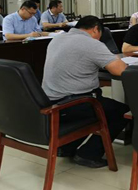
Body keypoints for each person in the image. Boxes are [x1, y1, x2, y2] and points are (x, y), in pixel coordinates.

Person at [42, 16, 129, 168]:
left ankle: (66, 147)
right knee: (121, 112)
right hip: (73, 104)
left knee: (100, 102)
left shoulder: (57, 39)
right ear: (95, 29)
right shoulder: (92, 44)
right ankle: (88, 154)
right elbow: (120, 70)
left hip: (50, 103)